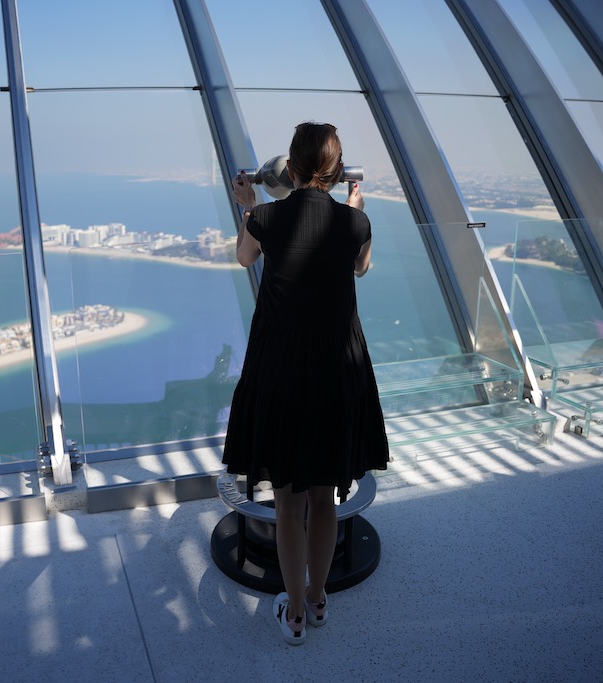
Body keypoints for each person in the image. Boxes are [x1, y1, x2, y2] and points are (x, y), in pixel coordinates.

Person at [222, 122, 389, 646]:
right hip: (338, 372)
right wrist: (357, 211)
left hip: (279, 372)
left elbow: (244, 258)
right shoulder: (353, 224)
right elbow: (362, 269)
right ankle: (319, 599)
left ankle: (293, 611)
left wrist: (248, 206)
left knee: (289, 501)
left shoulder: (268, 217)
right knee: (325, 498)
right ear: (339, 174)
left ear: (288, 170)